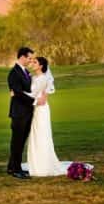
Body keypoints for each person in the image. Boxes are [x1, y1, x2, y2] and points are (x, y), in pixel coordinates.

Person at [22, 57, 72, 177]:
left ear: (41, 66)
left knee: (42, 135)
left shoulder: (44, 79)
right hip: (34, 111)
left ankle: (43, 166)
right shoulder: (33, 78)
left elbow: (40, 100)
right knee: (35, 136)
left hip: (41, 111)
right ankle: (36, 163)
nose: (32, 64)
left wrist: (19, 94)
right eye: (32, 62)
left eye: (35, 62)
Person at [7, 47, 39, 179]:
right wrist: (34, 100)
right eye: (29, 58)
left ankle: (12, 166)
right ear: (22, 57)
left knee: (21, 141)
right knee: (17, 142)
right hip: (19, 113)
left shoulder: (25, 72)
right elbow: (18, 93)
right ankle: (16, 169)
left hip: (27, 112)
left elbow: (24, 90)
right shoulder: (14, 73)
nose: (31, 61)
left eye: (32, 59)